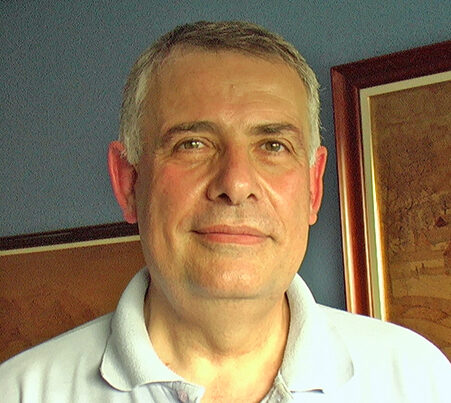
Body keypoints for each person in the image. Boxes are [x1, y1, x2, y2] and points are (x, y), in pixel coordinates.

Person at [0, 21, 449, 403]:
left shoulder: (419, 381)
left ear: (313, 187)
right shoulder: (19, 392)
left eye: (273, 146)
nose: (235, 184)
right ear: (128, 182)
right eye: (193, 144)